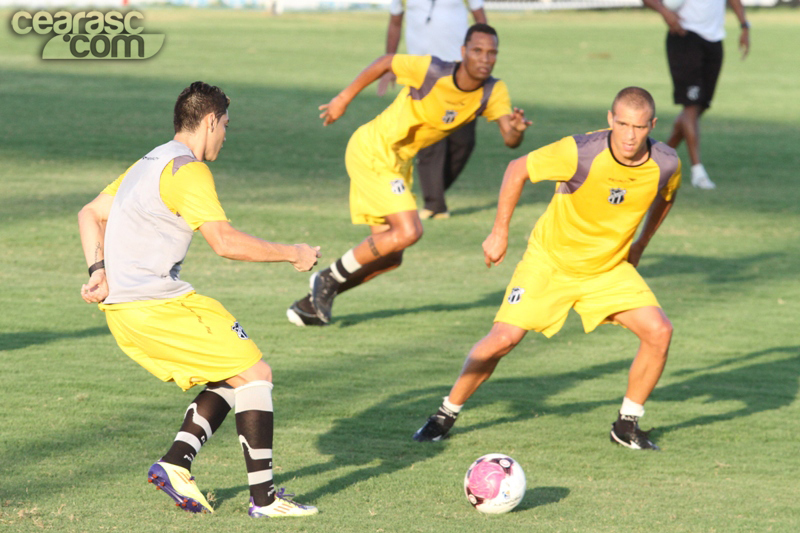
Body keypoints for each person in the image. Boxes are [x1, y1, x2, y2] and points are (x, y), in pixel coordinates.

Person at [78, 82, 320, 517]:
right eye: (226, 124)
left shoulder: (150, 160)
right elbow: (224, 242)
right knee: (256, 374)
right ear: (210, 121)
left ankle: (176, 463)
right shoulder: (188, 171)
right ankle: (265, 500)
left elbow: (89, 213)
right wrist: (294, 253)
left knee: (233, 373)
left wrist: (98, 271)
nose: (226, 135)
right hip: (154, 306)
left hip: (139, 307)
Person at [413, 87, 681, 450]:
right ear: (610, 119)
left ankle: (626, 425)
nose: (630, 136)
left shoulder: (666, 162)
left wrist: (641, 244)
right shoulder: (579, 152)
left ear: (653, 125)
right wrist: (499, 232)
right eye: (622, 124)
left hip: (606, 269)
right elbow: (516, 169)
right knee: (502, 340)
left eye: (639, 126)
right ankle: (445, 414)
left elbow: (666, 196)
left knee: (659, 331)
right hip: (549, 264)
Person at [287, 23, 531, 327]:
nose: (485, 58)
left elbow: (510, 138)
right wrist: (343, 98)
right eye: (478, 50)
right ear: (463, 51)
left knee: (391, 256)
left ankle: (311, 304)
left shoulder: (493, 91)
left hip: (399, 164)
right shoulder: (432, 71)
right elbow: (386, 62)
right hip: (373, 150)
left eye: (492, 53)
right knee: (409, 231)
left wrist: (517, 130)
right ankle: (327, 278)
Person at [379, 0, 488, 219]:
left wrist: (483, 60)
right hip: (422, 74)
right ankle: (434, 204)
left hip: (461, 72)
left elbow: (480, 20)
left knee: (464, 142)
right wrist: (389, 64)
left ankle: (433, 191)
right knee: (430, 142)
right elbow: (395, 22)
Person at [643, 0, 750, 190]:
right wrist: (664, 12)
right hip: (685, 36)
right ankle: (697, 172)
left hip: (714, 39)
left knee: (698, 108)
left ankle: (657, 161)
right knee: (691, 106)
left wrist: (744, 26)